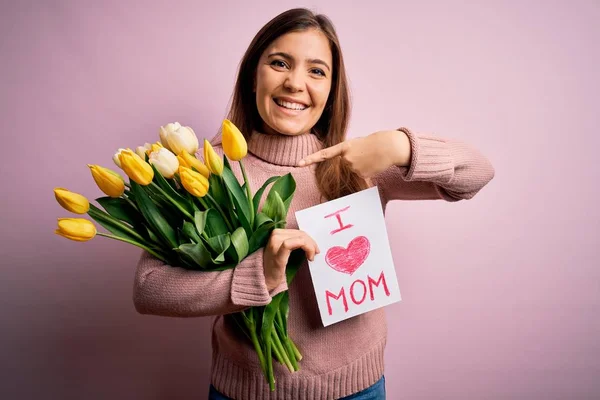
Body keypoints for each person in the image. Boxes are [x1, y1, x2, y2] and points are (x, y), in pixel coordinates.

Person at [132, 7, 495, 400]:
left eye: (316, 71)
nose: (294, 83)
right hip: (245, 392)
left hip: (358, 388)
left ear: (332, 89)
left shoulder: (359, 163)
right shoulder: (205, 170)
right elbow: (149, 289)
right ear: (253, 76)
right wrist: (261, 278)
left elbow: (477, 174)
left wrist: (399, 145)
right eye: (279, 63)